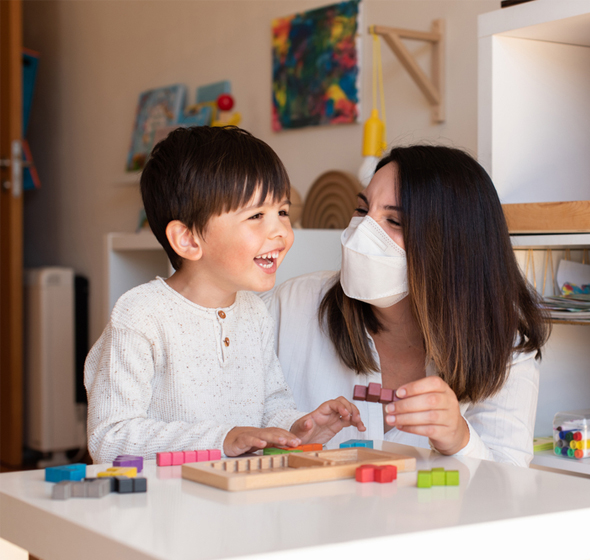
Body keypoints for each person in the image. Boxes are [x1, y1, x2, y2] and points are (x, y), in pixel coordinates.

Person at [85, 126, 364, 464]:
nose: (281, 231)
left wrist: (298, 428)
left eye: (283, 212)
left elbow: (269, 406)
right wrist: (224, 438)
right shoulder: (140, 315)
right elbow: (110, 438)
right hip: (163, 508)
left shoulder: (254, 313)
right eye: (257, 216)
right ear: (188, 239)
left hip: (234, 502)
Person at [263, 145, 550, 467]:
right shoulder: (292, 304)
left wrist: (459, 438)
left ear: (453, 245)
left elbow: (508, 487)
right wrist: (287, 441)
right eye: (362, 211)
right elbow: (229, 432)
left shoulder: (504, 346)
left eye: (394, 221)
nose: (361, 234)